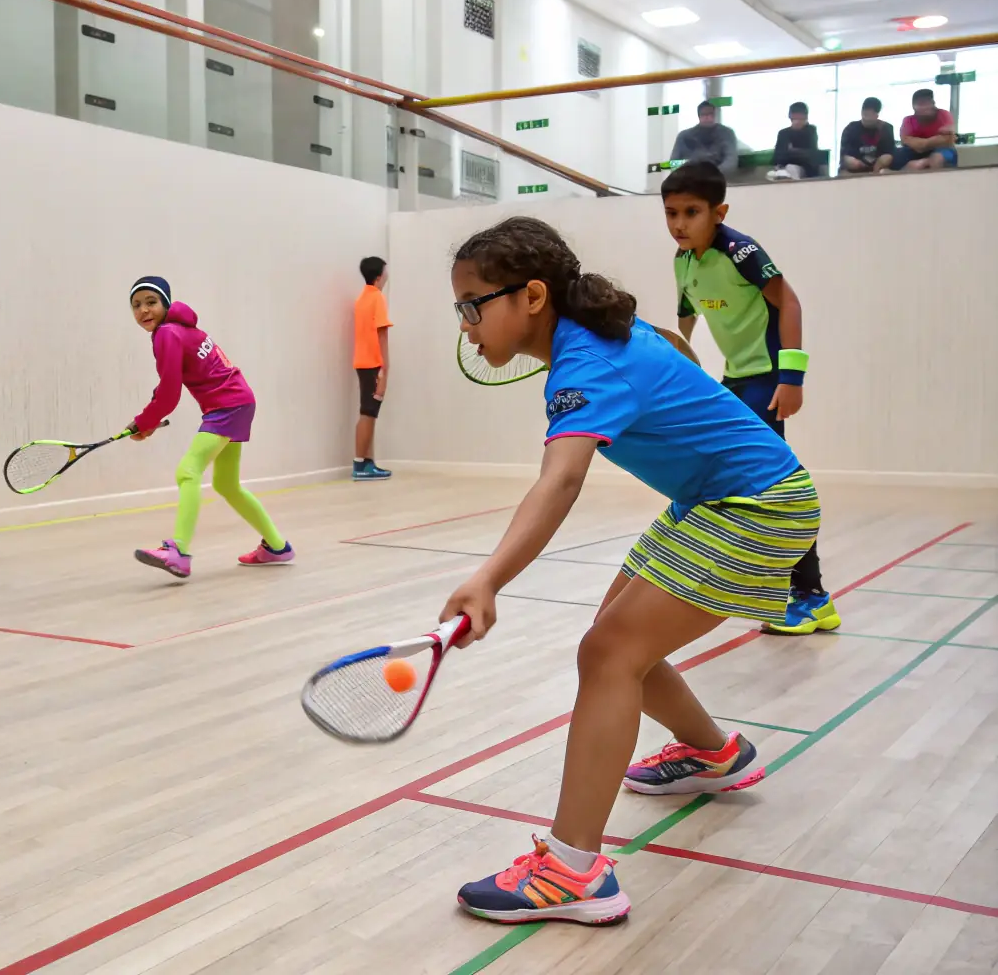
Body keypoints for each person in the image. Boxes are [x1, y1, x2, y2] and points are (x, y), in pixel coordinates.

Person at [444, 216, 821, 925]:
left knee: (608, 653)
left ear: (529, 297)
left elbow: (559, 482)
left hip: (754, 507)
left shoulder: (586, 362)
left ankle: (571, 871)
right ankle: (715, 756)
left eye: (472, 304)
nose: (464, 324)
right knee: (618, 642)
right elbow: (673, 349)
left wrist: (489, 577)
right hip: (716, 498)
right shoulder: (596, 335)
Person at [662, 161, 837, 634]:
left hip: (767, 378)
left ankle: (811, 595)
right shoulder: (683, 262)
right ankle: (781, 587)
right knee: (728, 472)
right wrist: (685, 363)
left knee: (768, 483)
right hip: (736, 379)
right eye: (671, 212)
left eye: (692, 212)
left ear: (718, 212)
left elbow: (790, 302)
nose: (679, 223)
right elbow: (686, 318)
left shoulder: (740, 251)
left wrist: (792, 378)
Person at [128, 277, 293, 578]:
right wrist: (148, 420)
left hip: (227, 405)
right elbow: (168, 385)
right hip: (240, 400)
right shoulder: (180, 328)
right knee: (227, 485)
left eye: (151, 302)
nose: (144, 310)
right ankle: (277, 546)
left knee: (187, 471)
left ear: (165, 303)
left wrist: (144, 422)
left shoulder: (166, 334)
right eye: (136, 305)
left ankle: (178, 551)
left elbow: (169, 394)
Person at [352, 256, 393, 481]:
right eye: (386, 272)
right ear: (379, 276)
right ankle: (360, 465)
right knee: (368, 413)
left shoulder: (362, 299)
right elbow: (382, 333)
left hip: (362, 362)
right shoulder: (376, 297)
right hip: (372, 364)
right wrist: (385, 369)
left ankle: (367, 463)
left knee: (368, 412)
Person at [891, 88, 957, 171]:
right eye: (921, 104)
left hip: (943, 150)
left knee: (937, 158)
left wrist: (922, 144)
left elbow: (949, 139)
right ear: (914, 106)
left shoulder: (943, 114)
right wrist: (935, 140)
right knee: (898, 157)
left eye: (929, 102)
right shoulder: (908, 120)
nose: (926, 107)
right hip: (915, 152)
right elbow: (906, 141)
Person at [670, 101, 738, 177]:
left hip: (716, 180)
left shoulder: (726, 133)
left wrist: (712, 174)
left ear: (714, 115)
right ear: (699, 116)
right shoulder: (684, 136)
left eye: (710, 114)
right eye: (704, 114)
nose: (707, 117)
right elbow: (674, 163)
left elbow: (731, 161)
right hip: (690, 180)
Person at [839, 96, 896, 174]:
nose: (867, 119)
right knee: (847, 170)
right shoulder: (851, 128)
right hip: (854, 168)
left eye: (870, 115)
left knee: (886, 166)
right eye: (865, 114)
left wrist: (876, 169)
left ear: (877, 115)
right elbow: (845, 157)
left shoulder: (886, 128)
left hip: (877, 167)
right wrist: (857, 164)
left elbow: (889, 155)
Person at [767, 101, 821, 180]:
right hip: (784, 169)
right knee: (774, 174)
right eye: (795, 118)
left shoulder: (810, 131)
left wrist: (790, 153)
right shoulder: (783, 133)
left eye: (800, 118)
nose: (797, 121)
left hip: (806, 171)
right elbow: (777, 156)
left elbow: (811, 155)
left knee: (791, 168)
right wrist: (794, 153)